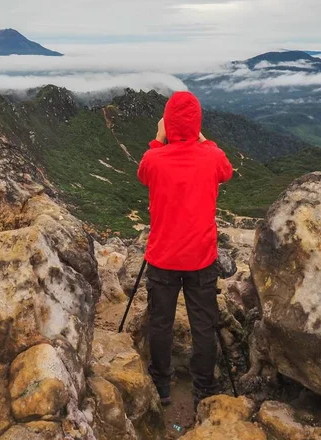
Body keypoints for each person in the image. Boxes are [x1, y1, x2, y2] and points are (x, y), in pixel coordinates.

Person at [137, 91, 233, 409]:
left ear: (167, 123)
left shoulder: (154, 159)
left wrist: (158, 138)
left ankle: (161, 385)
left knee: (161, 322)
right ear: (197, 123)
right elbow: (226, 171)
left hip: (162, 257)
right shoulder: (211, 157)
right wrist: (200, 138)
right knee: (203, 324)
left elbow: (143, 175)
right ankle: (204, 388)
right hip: (202, 258)